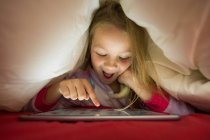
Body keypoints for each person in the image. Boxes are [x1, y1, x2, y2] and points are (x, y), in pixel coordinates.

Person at [24, 0, 194, 115]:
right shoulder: (77, 80)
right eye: (102, 54)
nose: (111, 65)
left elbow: (184, 113)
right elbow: (30, 108)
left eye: (124, 57)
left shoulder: (136, 89)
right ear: (89, 46)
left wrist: (136, 84)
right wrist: (59, 88)